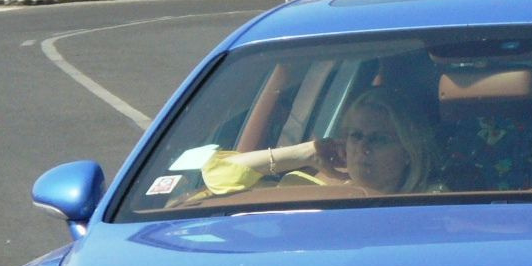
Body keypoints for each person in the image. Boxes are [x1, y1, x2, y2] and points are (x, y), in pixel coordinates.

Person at [186, 87, 440, 201]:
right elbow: (218, 175)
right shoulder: (302, 186)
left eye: (379, 139)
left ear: (408, 150)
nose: (363, 149)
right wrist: (305, 152)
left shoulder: (432, 202)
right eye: (356, 136)